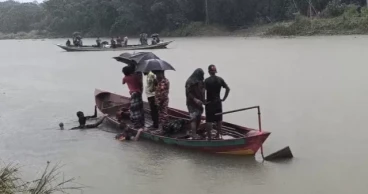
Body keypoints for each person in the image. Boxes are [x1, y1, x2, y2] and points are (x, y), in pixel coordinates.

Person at [204, 65, 230, 139]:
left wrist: (203, 101)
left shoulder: (206, 80)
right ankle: (218, 135)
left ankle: (209, 137)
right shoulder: (220, 79)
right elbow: (228, 89)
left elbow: (203, 91)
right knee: (219, 119)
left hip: (209, 102)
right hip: (218, 102)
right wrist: (224, 98)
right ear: (215, 71)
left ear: (209, 72)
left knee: (209, 120)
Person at [122, 66, 145, 132]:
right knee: (139, 108)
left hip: (133, 94)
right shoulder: (135, 76)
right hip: (138, 92)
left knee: (133, 109)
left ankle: (136, 124)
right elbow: (140, 83)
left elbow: (123, 83)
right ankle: (141, 123)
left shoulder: (125, 78)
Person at [185, 68, 205, 139]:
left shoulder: (201, 81)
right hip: (191, 103)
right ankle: (193, 135)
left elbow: (203, 91)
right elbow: (188, 93)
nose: (202, 76)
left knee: (199, 117)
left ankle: (195, 132)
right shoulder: (190, 81)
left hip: (199, 103)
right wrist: (195, 99)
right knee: (193, 118)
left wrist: (203, 100)